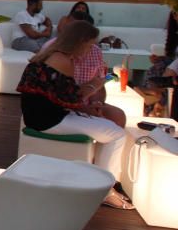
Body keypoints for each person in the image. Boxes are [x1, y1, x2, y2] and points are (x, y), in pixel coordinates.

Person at [16, 20, 132, 209]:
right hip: (50, 120)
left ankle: (99, 181)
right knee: (116, 134)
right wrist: (97, 84)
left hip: (39, 116)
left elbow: (64, 95)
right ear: (80, 41)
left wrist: (88, 106)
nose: (89, 50)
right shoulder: (63, 61)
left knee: (106, 129)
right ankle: (104, 189)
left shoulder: (49, 55)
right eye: (89, 45)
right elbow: (74, 98)